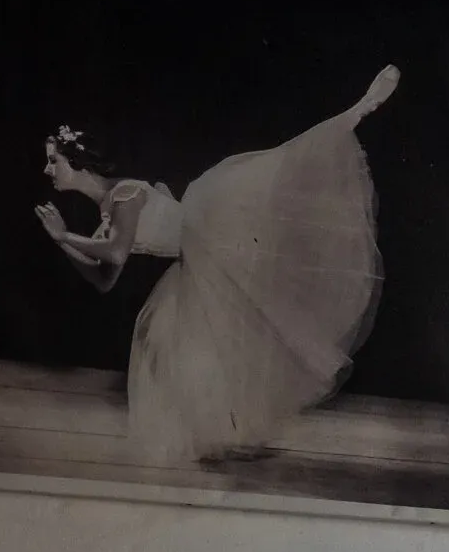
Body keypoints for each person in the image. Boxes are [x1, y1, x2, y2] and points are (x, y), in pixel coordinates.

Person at [31, 65, 401, 463]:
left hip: (213, 232)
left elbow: (116, 252)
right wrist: (64, 244)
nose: (48, 170)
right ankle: (219, 434)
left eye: (54, 162)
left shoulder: (123, 196)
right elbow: (105, 279)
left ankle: (357, 111)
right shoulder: (107, 217)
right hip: (193, 260)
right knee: (167, 343)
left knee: (279, 179)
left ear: (79, 162)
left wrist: (65, 235)